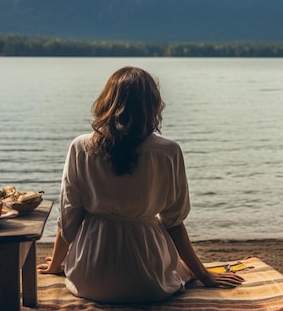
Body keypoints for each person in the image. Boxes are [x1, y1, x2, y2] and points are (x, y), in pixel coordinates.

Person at [38, 66, 244, 303]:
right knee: (180, 269)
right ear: (153, 105)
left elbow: (69, 217)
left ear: (107, 101)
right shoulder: (168, 152)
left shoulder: (81, 148)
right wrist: (204, 275)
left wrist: (55, 265)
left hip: (90, 278)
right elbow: (174, 223)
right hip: (150, 281)